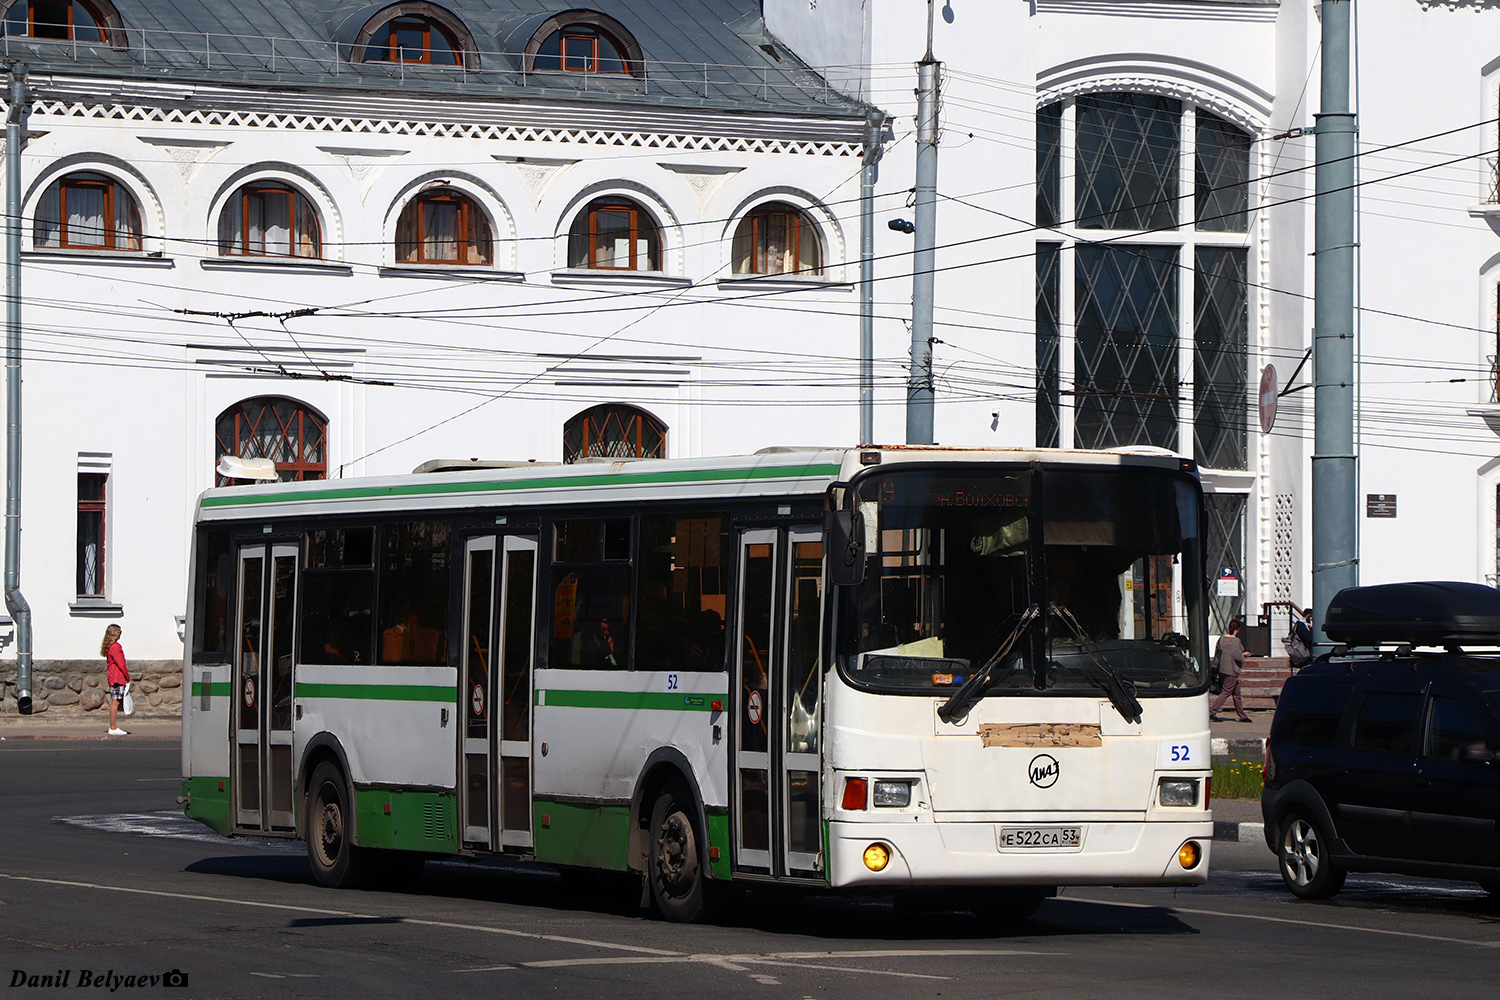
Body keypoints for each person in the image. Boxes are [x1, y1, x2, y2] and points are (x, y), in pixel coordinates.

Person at [1209, 618, 1251, 723]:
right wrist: (1244, 655)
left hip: (1222, 669)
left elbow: (1217, 653)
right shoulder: (1236, 641)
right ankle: (1212, 712)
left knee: (1236, 693)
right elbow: (1238, 656)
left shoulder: (1222, 639)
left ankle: (1242, 716)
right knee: (1226, 692)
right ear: (1238, 629)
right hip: (1231, 670)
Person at [102, 624, 129, 736]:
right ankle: (113, 727)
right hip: (118, 677)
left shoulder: (110, 647)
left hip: (113, 676)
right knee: (116, 701)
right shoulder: (116, 647)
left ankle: (113, 726)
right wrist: (127, 676)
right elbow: (121, 663)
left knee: (115, 701)